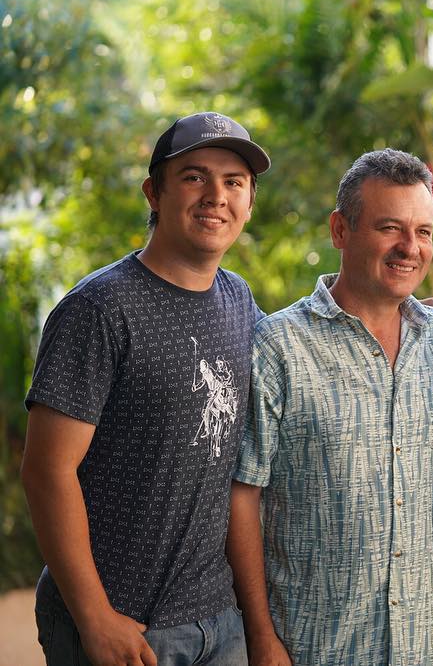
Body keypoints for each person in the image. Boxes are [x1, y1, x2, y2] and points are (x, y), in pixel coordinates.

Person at [21, 112, 270, 665]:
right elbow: (45, 471)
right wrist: (94, 617)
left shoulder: (238, 300)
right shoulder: (99, 309)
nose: (216, 196)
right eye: (193, 177)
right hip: (123, 626)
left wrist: (412, 313)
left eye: (234, 183)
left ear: (250, 202)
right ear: (153, 192)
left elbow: (305, 352)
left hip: (217, 621)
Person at [227, 149, 433, 666]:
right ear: (340, 230)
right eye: (390, 228)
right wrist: (262, 637)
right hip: (312, 648)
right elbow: (241, 496)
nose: (410, 248)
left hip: (424, 648)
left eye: (423, 232)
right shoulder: (278, 347)